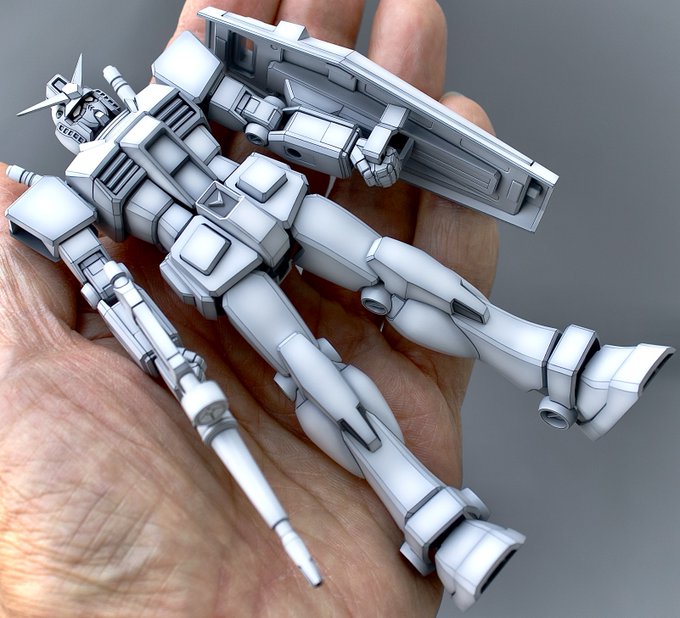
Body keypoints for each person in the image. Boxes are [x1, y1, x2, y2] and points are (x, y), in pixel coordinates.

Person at [0, 0, 497, 615]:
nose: (81, 107)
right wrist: (169, 357)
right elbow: (109, 284)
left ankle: (550, 361)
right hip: (211, 257)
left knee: (389, 260)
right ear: (66, 136)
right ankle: (427, 513)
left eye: (81, 98)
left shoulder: (170, 85)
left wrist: (350, 145)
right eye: (68, 113)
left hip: (264, 195)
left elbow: (270, 117)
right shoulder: (68, 192)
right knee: (311, 372)